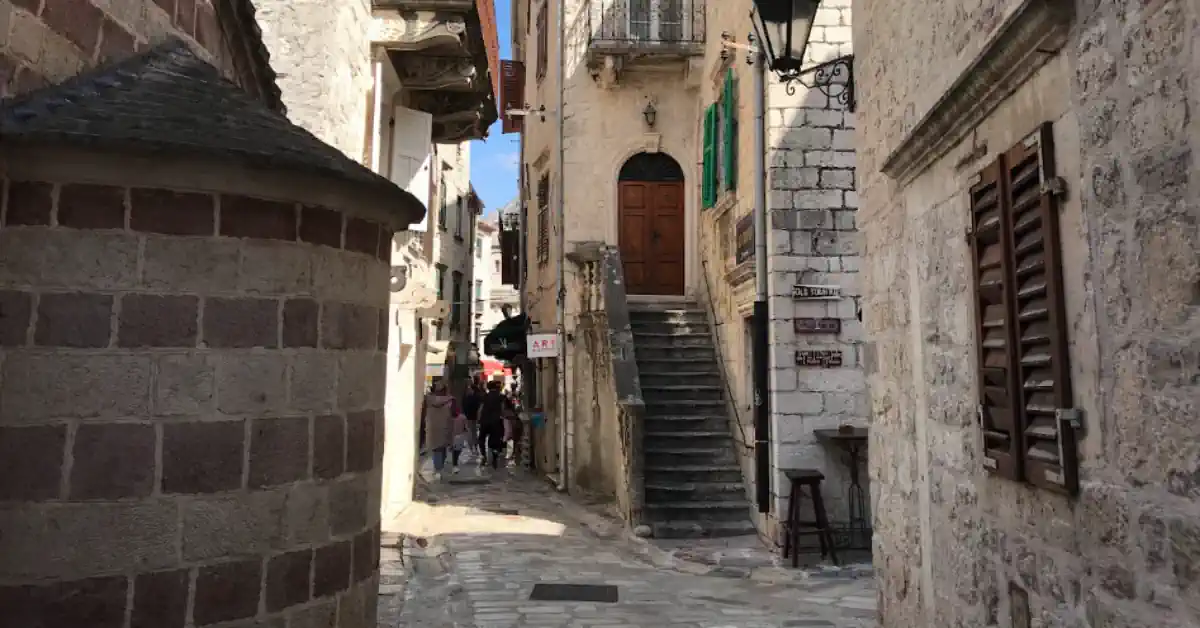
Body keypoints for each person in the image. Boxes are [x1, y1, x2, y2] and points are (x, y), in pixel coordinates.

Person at [421, 380, 460, 480]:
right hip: (446, 426)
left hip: (432, 426)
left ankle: (437, 469)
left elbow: (423, 412)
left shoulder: (427, 399)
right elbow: (456, 413)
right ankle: (439, 468)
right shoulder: (451, 400)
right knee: (442, 448)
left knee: (435, 448)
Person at [476, 380, 514, 470]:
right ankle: (494, 458)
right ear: (498, 387)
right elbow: (503, 409)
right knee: (495, 441)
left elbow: (480, 409)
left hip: (484, 421)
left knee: (481, 439)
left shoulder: (484, 396)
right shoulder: (501, 397)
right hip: (496, 421)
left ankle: (483, 456)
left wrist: (478, 419)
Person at [462, 381, 484, 463]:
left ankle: (472, 448)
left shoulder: (466, 397)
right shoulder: (476, 397)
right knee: (473, 432)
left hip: (469, 417)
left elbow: (463, 407)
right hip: (473, 417)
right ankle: (474, 447)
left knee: (470, 432)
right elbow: (479, 407)